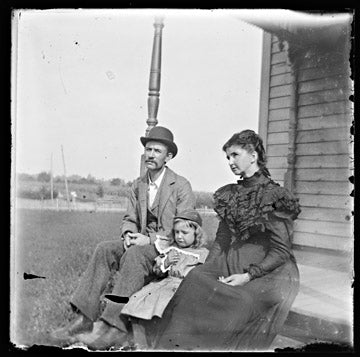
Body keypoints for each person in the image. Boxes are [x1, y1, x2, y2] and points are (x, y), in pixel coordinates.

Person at [153, 130, 301, 351]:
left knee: (239, 301)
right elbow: (222, 239)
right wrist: (209, 266)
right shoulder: (230, 194)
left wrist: (248, 276)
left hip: (271, 270)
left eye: (235, 155)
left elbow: (280, 251)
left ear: (253, 156)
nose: (230, 162)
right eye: (227, 157)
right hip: (234, 259)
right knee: (196, 278)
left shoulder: (274, 195)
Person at [50, 126, 196, 348]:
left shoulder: (181, 185)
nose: (150, 155)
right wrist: (128, 234)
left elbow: (184, 228)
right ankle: (83, 318)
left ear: (169, 157)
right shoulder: (138, 185)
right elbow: (130, 217)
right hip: (140, 241)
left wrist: (150, 240)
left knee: (135, 255)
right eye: (148, 149)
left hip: (168, 248)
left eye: (157, 151)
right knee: (105, 249)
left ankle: (114, 326)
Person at [121, 209, 208, 348]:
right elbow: (157, 270)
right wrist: (166, 263)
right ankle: (140, 343)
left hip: (183, 288)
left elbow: (205, 274)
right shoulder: (170, 249)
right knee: (138, 303)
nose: (179, 236)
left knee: (165, 313)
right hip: (163, 285)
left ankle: (159, 344)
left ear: (196, 234)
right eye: (176, 232)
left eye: (184, 233)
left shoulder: (202, 254)